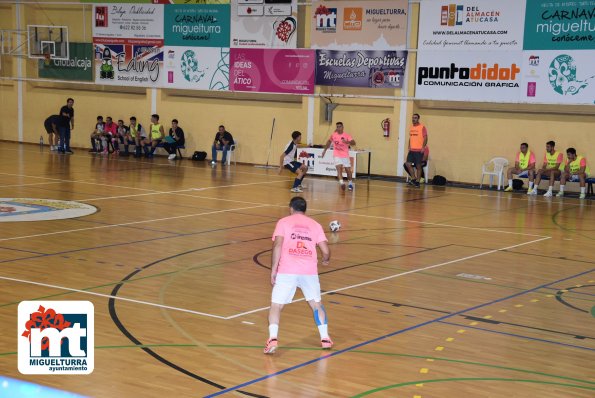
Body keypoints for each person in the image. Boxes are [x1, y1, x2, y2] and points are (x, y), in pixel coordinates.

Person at [264, 196, 332, 354]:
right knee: (316, 304)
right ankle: (325, 338)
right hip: (309, 271)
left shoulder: (283, 222)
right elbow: (326, 251)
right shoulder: (315, 225)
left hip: (287, 270)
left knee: (276, 305)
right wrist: (326, 260)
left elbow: (278, 246)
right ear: (305, 210)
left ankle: (273, 338)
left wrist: (273, 269)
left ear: (291, 208)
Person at [321, 121, 356, 191]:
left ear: (343, 127)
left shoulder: (346, 135)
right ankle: (342, 183)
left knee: (348, 170)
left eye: (340, 126)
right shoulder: (334, 135)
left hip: (345, 155)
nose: (338, 128)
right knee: (339, 169)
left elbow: (354, 143)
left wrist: (347, 142)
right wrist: (324, 150)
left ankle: (350, 184)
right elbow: (328, 142)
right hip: (337, 154)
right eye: (337, 127)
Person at [405, 113, 428, 188]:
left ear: (418, 119)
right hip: (412, 150)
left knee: (418, 166)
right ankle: (414, 178)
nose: (413, 119)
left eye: (415, 118)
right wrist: (409, 145)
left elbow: (425, 138)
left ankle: (418, 182)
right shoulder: (411, 127)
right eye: (412, 118)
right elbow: (410, 137)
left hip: (419, 151)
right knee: (408, 164)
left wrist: (423, 147)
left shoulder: (422, 127)